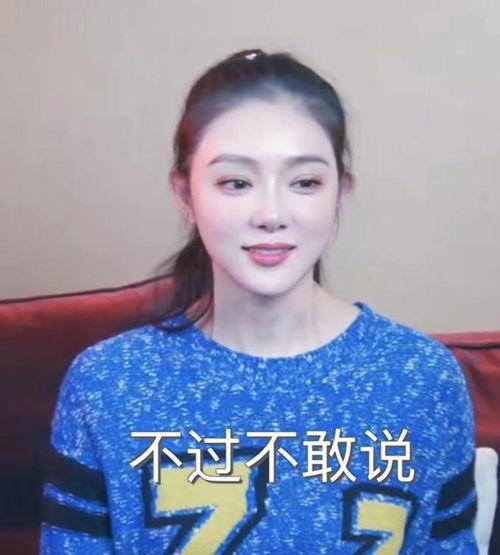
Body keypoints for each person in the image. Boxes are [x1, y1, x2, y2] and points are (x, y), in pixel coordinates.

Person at [40, 49, 478, 554]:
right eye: (236, 182)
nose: (271, 214)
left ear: (340, 193)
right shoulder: (108, 384)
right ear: (185, 194)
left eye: (305, 182)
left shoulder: (423, 379)